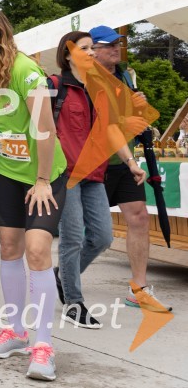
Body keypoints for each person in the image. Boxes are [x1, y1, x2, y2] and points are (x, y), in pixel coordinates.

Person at [0, 5, 67, 381]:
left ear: (0, 33)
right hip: (5, 170)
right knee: (9, 248)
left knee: (37, 250)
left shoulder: (25, 70)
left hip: (43, 175)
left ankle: (43, 345)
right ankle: (17, 331)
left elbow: (45, 129)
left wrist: (42, 180)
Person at [50, 31, 147, 329]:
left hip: (94, 173)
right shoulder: (54, 86)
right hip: (65, 173)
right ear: (68, 55)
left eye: (93, 48)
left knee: (103, 237)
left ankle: (62, 276)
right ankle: (74, 303)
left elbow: (111, 130)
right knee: (72, 238)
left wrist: (131, 162)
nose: (92, 52)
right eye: (85, 48)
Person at [89, 25, 172, 312]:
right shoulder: (86, 79)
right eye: (108, 45)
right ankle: (64, 276)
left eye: (118, 44)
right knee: (92, 233)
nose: (116, 49)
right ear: (93, 50)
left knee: (138, 217)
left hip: (125, 162)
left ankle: (139, 288)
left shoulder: (125, 75)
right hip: (95, 164)